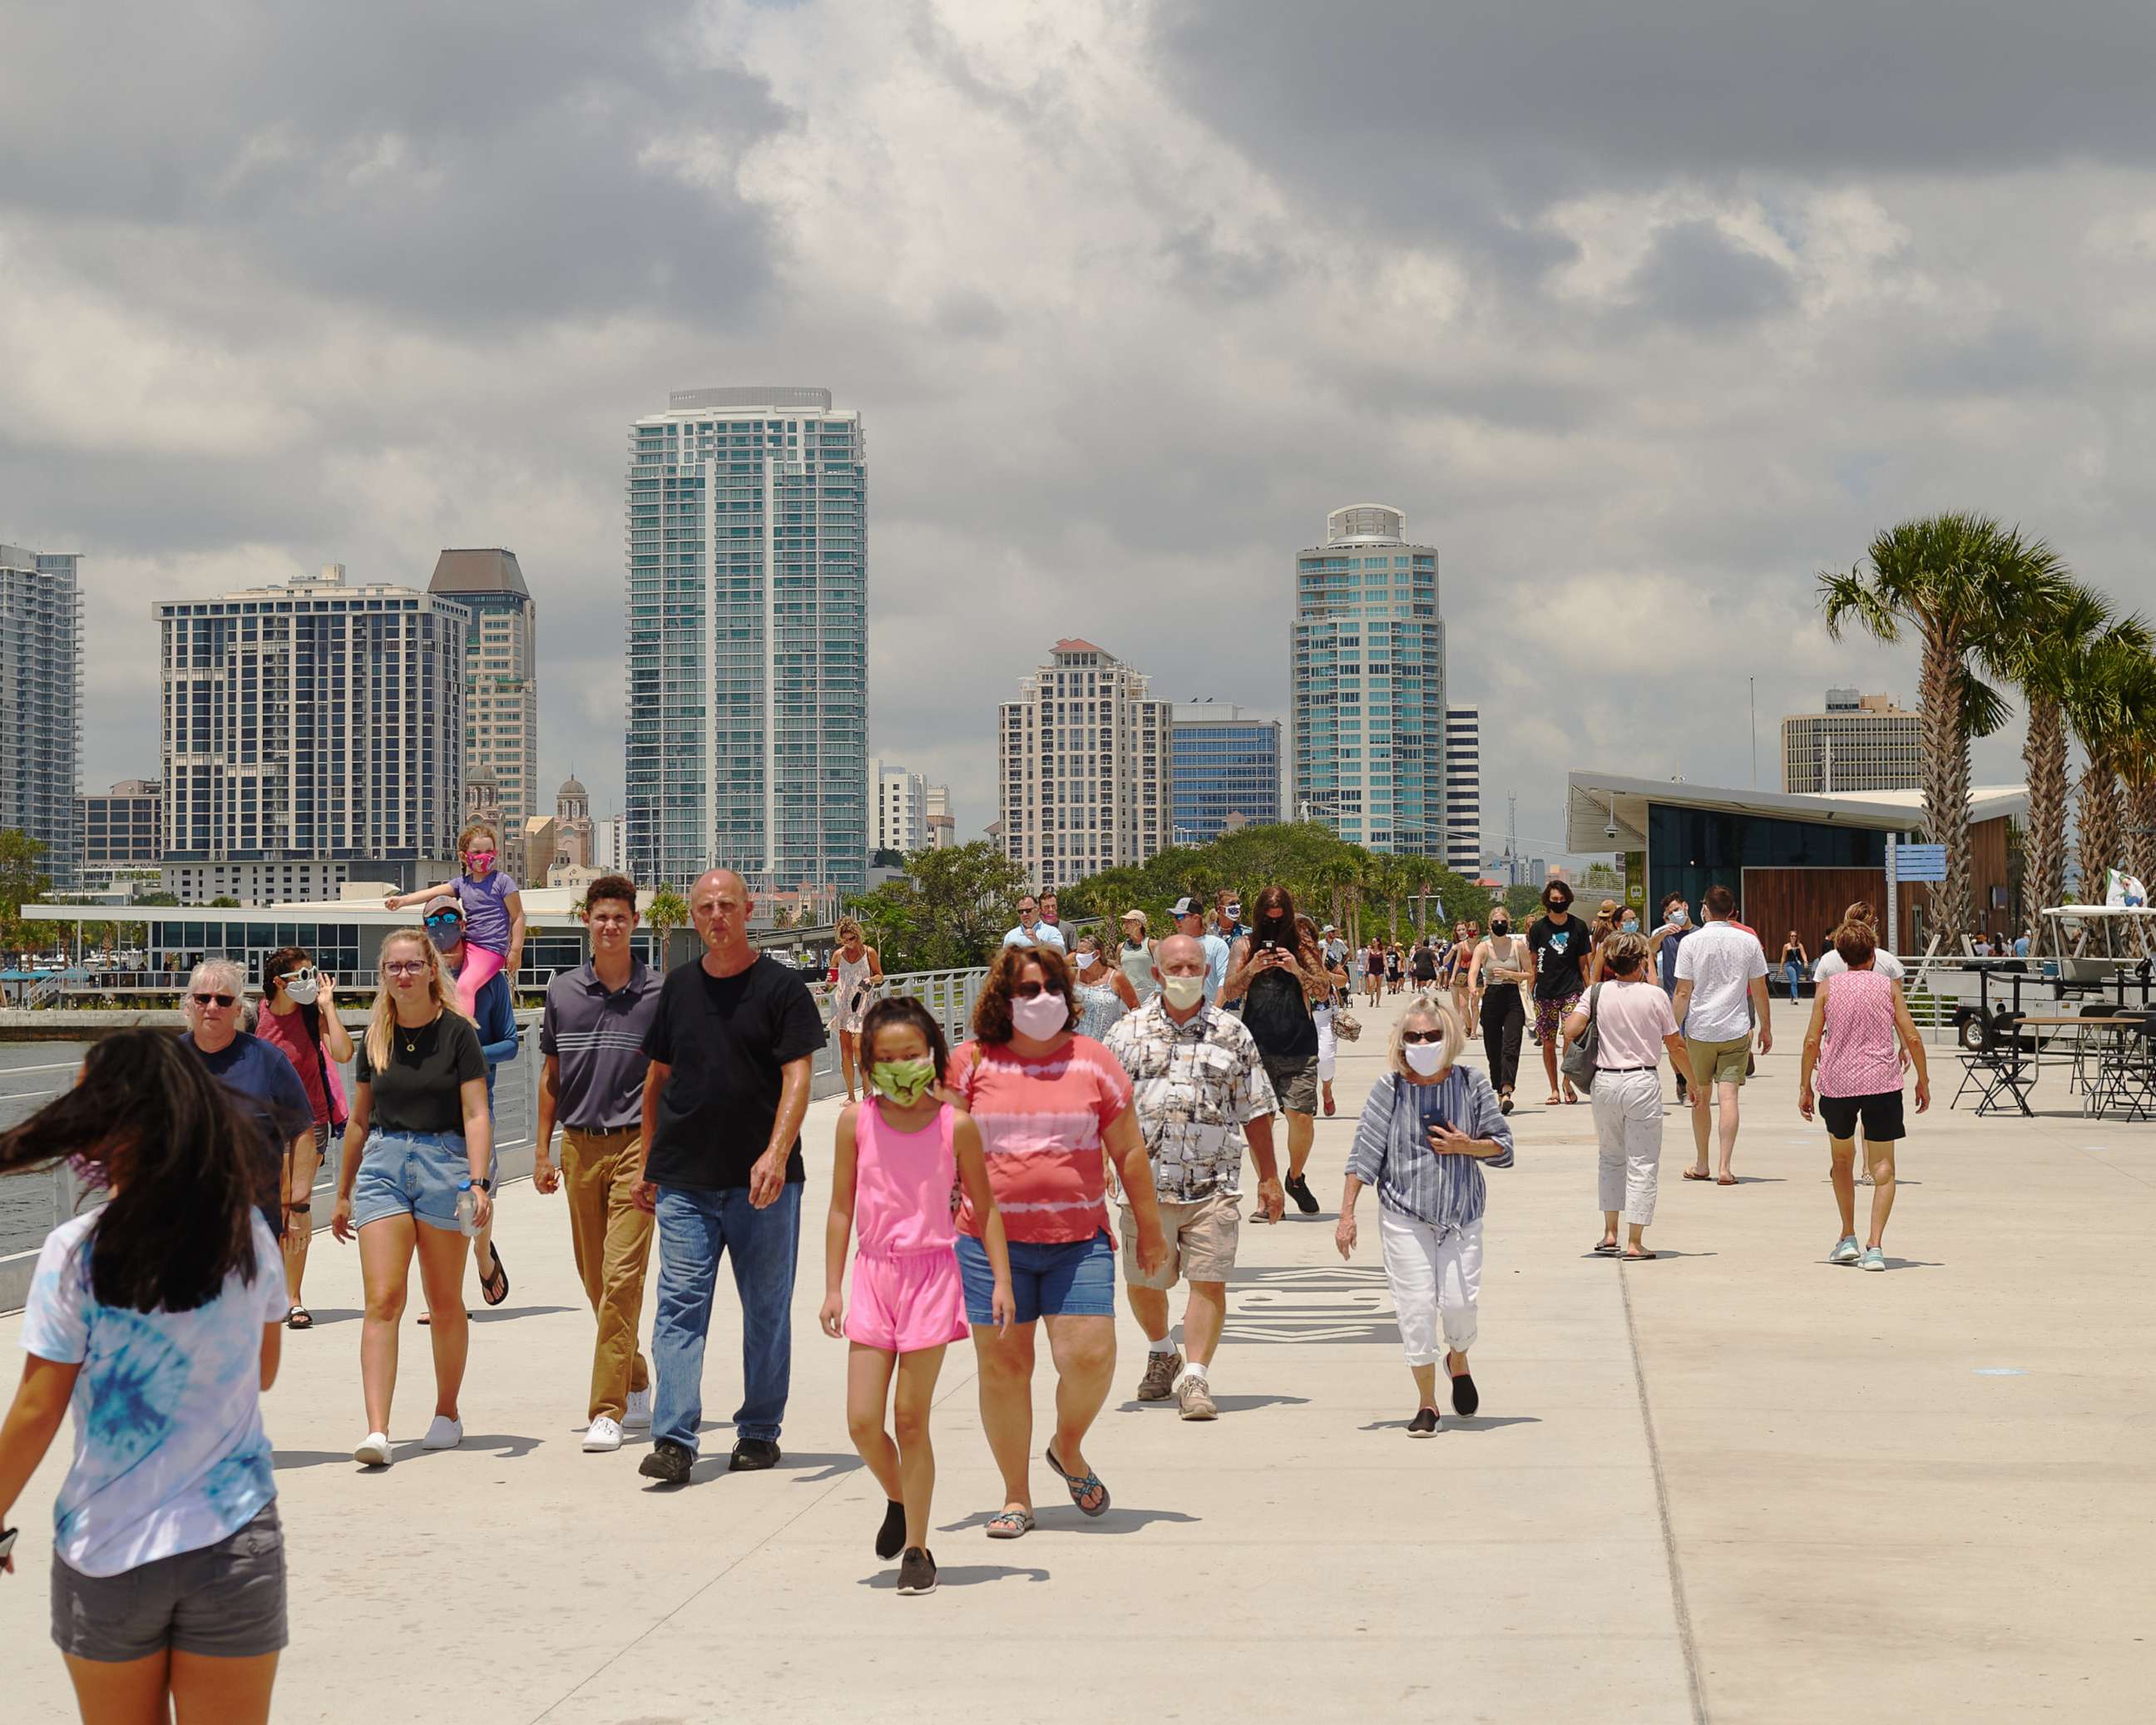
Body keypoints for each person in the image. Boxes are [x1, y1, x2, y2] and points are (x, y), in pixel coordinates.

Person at [0, 1032, 290, 1723]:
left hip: (107, 1547)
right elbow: (266, 1370)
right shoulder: (247, 1233)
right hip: (235, 1540)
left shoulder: (77, 1251)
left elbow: (39, 1407)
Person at [944, 946, 1165, 1538]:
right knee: (1005, 1368)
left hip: (1077, 1239)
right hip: (991, 1247)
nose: (1037, 1000)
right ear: (1002, 999)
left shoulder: (1093, 1060)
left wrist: (1148, 1228)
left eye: (1047, 989)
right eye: (1025, 990)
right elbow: (937, 1149)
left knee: (1091, 1359)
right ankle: (1017, 1496)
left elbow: (1130, 1151)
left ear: (1066, 995)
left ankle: (1068, 1447)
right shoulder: (969, 1063)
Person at [635, 870, 828, 1483]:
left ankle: (759, 1431)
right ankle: (674, 1439)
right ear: (694, 917)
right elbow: (656, 1081)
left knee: (766, 1309)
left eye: (726, 906)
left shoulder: (781, 988)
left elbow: (798, 1076)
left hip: (762, 1184)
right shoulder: (679, 989)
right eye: (705, 908)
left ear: (748, 911)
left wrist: (776, 1152)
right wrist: (647, 1160)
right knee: (678, 1308)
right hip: (686, 1179)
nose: (716, 916)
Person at [821, 997, 1013, 1596]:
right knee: (860, 1422)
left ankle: (918, 1549)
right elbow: (841, 1207)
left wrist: (1002, 1281)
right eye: (886, 1058)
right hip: (875, 1275)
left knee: (910, 1418)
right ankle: (900, 1496)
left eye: (910, 1055)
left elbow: (985, 1208)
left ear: (930, 1053)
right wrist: (832, 1286)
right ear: (868, 1061)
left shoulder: (955, 1124)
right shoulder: (856, 1121)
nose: (900, 1067)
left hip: (932, 1275)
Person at [1103, 935, 1283, 1421]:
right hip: (1144, 1188)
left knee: (1209, 1281)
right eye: (1174, 968)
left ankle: (1196, 1377)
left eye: (1193, 967)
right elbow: (1102, 1108)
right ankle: (1163, 1350)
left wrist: (1270, 1178)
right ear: (1157, 974)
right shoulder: (1125, 1033)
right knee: (1145, 1284)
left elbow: (1258, 1110)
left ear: (1207, 973)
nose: (1184, 975)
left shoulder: (1232, 1033)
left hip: (1214, 1183)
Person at [329, 929, 492, 1466]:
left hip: (445, 1167)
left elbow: (475, 1113)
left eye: (412, 966)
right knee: (383, 1300)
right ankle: (378, 1430)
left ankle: (447, 1411)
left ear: (430, 970)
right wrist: (343, 1192)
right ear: (384, 976)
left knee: (444, 1302)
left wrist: (478, 1182)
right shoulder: (376, 1037)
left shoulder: (458, 1034)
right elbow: (357, 1121)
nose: (403, 975)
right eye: (393, 968)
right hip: (383, 1167)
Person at [1336, 996, 1514, 1436]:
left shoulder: (1472, 1084)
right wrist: (1346, 1216)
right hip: (1404, 1215)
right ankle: (1428, 1404)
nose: (1422, 1043)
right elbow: (1364, 1155)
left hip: (1461, 1215)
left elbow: (1504, 1148)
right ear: (1400, 1041)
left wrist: (1466, 1146)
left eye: (1432, 1036)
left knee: (1458, 1305)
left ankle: (1459, 1355)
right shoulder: (1389, 1088)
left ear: (1449, 1038)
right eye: (1413, 1036)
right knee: (1415, 1309)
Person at [532, 873, 664, 1454]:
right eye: (599, 916)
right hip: (578, 1146)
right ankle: (633, 1376)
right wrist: (542, 1150)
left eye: (619, 917)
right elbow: (550, 1076)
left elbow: (671, 1079)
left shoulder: (661, 993)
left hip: (638, 1146)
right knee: (595, 1281)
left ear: (634, 923)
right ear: (586, 921)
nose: (609, 925)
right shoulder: (562, 991)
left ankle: (606, 1410)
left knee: (621, 1278)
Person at [1799, 922, 1931, 1272]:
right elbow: (1912, 1036)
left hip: (1837, 1083)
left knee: (1842, 1160)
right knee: (1883, 1167)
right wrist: (1923, 1079)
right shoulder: (1888, 988)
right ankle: (1875, 1246)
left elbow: (1812, 1040)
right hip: (1882, 1084)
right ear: (1873, 953)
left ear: (1840, 955)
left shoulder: (1827, 988)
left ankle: (1847, 1236)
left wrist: (1803, 1087)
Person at [422, 893, 519, 1316]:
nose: (442, 926)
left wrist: (470, 1056)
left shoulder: (489, 980)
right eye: (433, 921)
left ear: (464, 924)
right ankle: (444, 1299)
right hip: (426, 1104)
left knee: (475, 1194)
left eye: (450, 918)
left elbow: (511, 1043)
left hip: (477, 1103)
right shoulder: (419, 977)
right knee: (431, 1204)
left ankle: (482, 1256)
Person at [1564, 933, 1688, 1261]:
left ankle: (1609, 1233)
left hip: (1604, 1081)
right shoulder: (1655, 996)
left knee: (1610, 1157)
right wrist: (1694, 1083)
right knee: (1643, 1162)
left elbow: (1570, 1029)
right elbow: (1675, 1043)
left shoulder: (1596, 993)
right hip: (1642, 1080)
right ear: (1642, 961)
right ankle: (1635, 1241)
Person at [179, 959, 314, 1247]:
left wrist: (299, 1206)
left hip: (255, 1229)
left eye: (223, 1000)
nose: (212, 1007)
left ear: (239, 1010)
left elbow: (303, 1130)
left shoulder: (269, 1061)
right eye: (203, 998)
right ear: (189, 1004)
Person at [254, 946, 354, 1329]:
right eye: (302, 977)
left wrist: (328, 1006)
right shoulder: (254, 1017)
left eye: (314, 973)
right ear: (279, 983)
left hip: (309, 1123)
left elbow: (344, 1053)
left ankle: (293, 1298)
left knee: (297, 1205)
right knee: (271, 1206)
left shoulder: (312, 1015)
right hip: (262, 1124)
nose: (311, 982)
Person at [1222, 887, 1328, 1216]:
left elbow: (1323, 988)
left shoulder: (1302, 945)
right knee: (1259, 1124)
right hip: (1257, 1046)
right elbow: (1229, 989)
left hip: (1299, 1043)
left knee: (1302, 1117)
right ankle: (1266, 1191)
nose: (1272, 930)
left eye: (1278, 924)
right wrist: (1252, 967)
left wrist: (1296, 969)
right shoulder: (1243, 945)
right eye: (1267, 923)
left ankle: (1295, 1178)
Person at [1671, 884, 1771, 1187]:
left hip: (1701, 1029)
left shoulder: (1691, 942)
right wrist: (1766, 1026)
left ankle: (1702, 1163)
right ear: (1731, 910)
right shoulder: (1748, 940)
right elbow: (1760, 987)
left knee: (1700, 1098)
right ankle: (1725, 1167)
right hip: (1736, 1028)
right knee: (1729, 1098)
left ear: (1704, 908)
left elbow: (1683, 991)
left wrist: (1672, 1029)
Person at [386, 823, 526, 1019]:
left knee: (465, 986)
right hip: (469, 944)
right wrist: (402, 901)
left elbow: (518, 916)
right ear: (463, 856)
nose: (483, 856)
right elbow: (431, 893)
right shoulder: (462, 884)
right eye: (477, 851)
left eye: (488, 851)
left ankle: (462, 1033)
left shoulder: (502, 882)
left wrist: (515, 951)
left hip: (491, 950)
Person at [1528, 881, 1594, 1105]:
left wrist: (1590, 988)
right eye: (1554, 899)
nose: (1558, 903)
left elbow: (1584, 962)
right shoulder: (1538, 929)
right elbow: (1534, 962)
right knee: (1548, 1042)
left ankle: (1567, 1082)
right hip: (1545, 992)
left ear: (1568, 898)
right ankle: (1554, 1088)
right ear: (1548, 900)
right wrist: (1531, 988)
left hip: (1571, 989)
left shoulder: (1579, 926)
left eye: (1561, 899)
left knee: (1570, 1035)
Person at [1469, 910, 1531, 1113]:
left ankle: (1507, 1090)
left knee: (1511, 1045)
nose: (1499, 924)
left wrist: (1510, 974)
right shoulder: (1483, 948)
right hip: (1492, 997)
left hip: (1513, 996)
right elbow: (1473, 971)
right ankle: (1498, 1088)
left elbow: (1529, 973)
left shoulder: (1517, 946)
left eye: (1503, 921)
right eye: (1495, 921)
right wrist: (1472, 988)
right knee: (1493, 1049)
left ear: (1508, 923)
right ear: (1489, 925)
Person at [830, 917, 885, 1103]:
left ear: (858, 936)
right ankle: (850, 1096)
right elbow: (831, 979)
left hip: (862, 1004)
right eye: (845, 940)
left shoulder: (869, 952)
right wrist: (827, 983)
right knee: (845, 1052)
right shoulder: (838, 955)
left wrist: (871, 980)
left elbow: (880, 975)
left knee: (858, 1048)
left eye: (852, 939)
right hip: (844, 1006)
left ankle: (867, 1091)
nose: (849, 943)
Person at [1308, 914, 1348, 1117]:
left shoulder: (1324, 955)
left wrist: (1327, 975)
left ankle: (1326, 1089)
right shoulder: (1288, 957)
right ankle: (1308, 1095)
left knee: (1325, 1058)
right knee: (1304, 1061)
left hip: (1324, 1014)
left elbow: (1343, 980)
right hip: (1299, 1016)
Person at [1070, 927, 1140, 1038]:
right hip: (1081, 1042)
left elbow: (1134, 1006)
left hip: (1108, 1042)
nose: (1078, 956)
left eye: (1082, 953)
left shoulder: (1116, 977)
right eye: (1077, 953)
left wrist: (1129, 1031)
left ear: (1096, 954)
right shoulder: (1077, 975)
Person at [1170, 894, 1231, 1007]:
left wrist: (1214, 1013)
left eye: (1180, 917)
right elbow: (1161, 987)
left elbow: (1224, 980)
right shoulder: (1172, 947)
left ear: (1195, 918)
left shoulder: (1217, 945)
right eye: (1174, 917)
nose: (1175, 921)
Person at [1117, 908, 1159, 1006]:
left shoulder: (1152, 945)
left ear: (1139, 924)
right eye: (1124, 922)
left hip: (1149, 996)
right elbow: (1119, 971)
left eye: (1129, 922)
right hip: (1128, 996)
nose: (1125, 924)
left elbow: (1162, 971)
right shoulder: (1120, 947)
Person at [1001, 891, 1067, 952]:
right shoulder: (1011, 936)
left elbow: (1061, 952)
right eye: (1021, 912)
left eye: (1028, 910)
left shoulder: (1051, 932)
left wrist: (1038, 943)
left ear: (1038, 910)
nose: (1024, 914)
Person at [1778, 932, 1809, 1003]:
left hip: (1798, 965)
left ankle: (1792, 999)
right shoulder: (1786, 946)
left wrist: (1805, 962)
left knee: (1795, 982)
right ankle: (1795, 997)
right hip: (1789, 965)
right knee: (1794, 981)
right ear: (1789, 937)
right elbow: (1783, 957)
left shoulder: (1800, 945)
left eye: (1795, 936)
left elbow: (1803, 954)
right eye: (1792, 936)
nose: (1794, 937)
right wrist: (1781, 968)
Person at [1363, 934, 1386, 1006]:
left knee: (1378, 986)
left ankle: (1378, 1002)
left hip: (1380, 970)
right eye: (1372, 941)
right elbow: (1367, 960)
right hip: (1372, 970)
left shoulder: (1382, 950)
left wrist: (1387, 969)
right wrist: (1364, 970)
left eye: (1374, 941)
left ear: (1378, 942)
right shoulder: (1370, 950)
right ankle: (1372, 999)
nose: (1372, 942)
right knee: (1371, 985)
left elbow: (1385, 960)